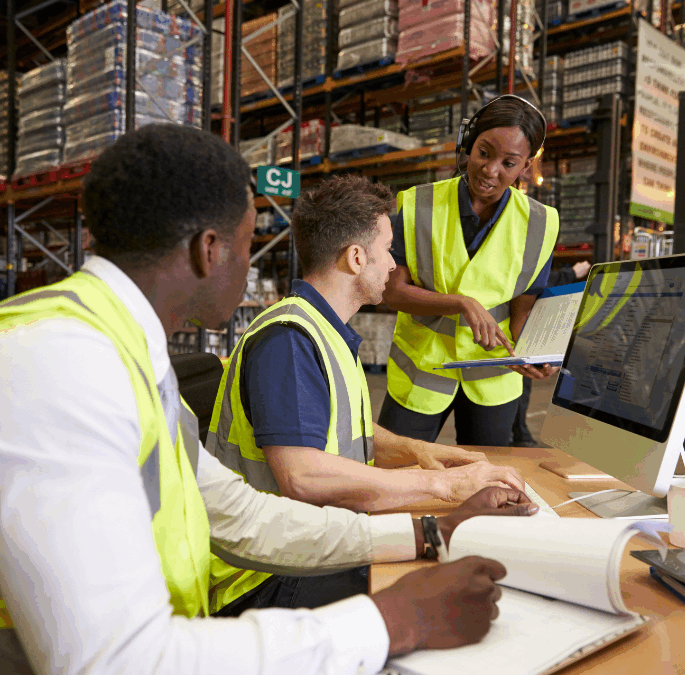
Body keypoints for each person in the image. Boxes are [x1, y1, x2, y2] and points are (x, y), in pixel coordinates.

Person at [0, 124, 538, 675]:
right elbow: (117, 662)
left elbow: (241, 515)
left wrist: (426, 535)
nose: (259, 254)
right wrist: (390, 622)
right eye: (248, 237)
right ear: (209, 250)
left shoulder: (125, 353)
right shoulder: (50, 369)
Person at [206, 174, 527, 616]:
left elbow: (345, 429)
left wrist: (420, 451)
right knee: (468, 586)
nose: (394, 264)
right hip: (265, 578)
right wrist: (444, 485)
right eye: (388, 249)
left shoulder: (322, 330)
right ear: (356, 258)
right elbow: (303, 476)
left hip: (310, 548)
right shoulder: (288, 340)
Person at [379, 95, 561, 447]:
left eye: (508, 162)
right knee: (393, 467)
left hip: (493, 378)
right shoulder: (418, 203)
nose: (491, 170)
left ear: (525, 166)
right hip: (421, 370)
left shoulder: (541, 223)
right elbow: (392, 293)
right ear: (468, 145)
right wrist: (459, 303)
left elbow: (522, 313)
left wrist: (535, 354)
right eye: (483, 153)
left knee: (486, 481)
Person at [510, 259, 590, 447]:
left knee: (522, 385)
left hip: (519, 332)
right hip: (512, 335)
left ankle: (520, 434)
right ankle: (521, 435)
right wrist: (569, 273)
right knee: (521, 385)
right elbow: (534, 280)